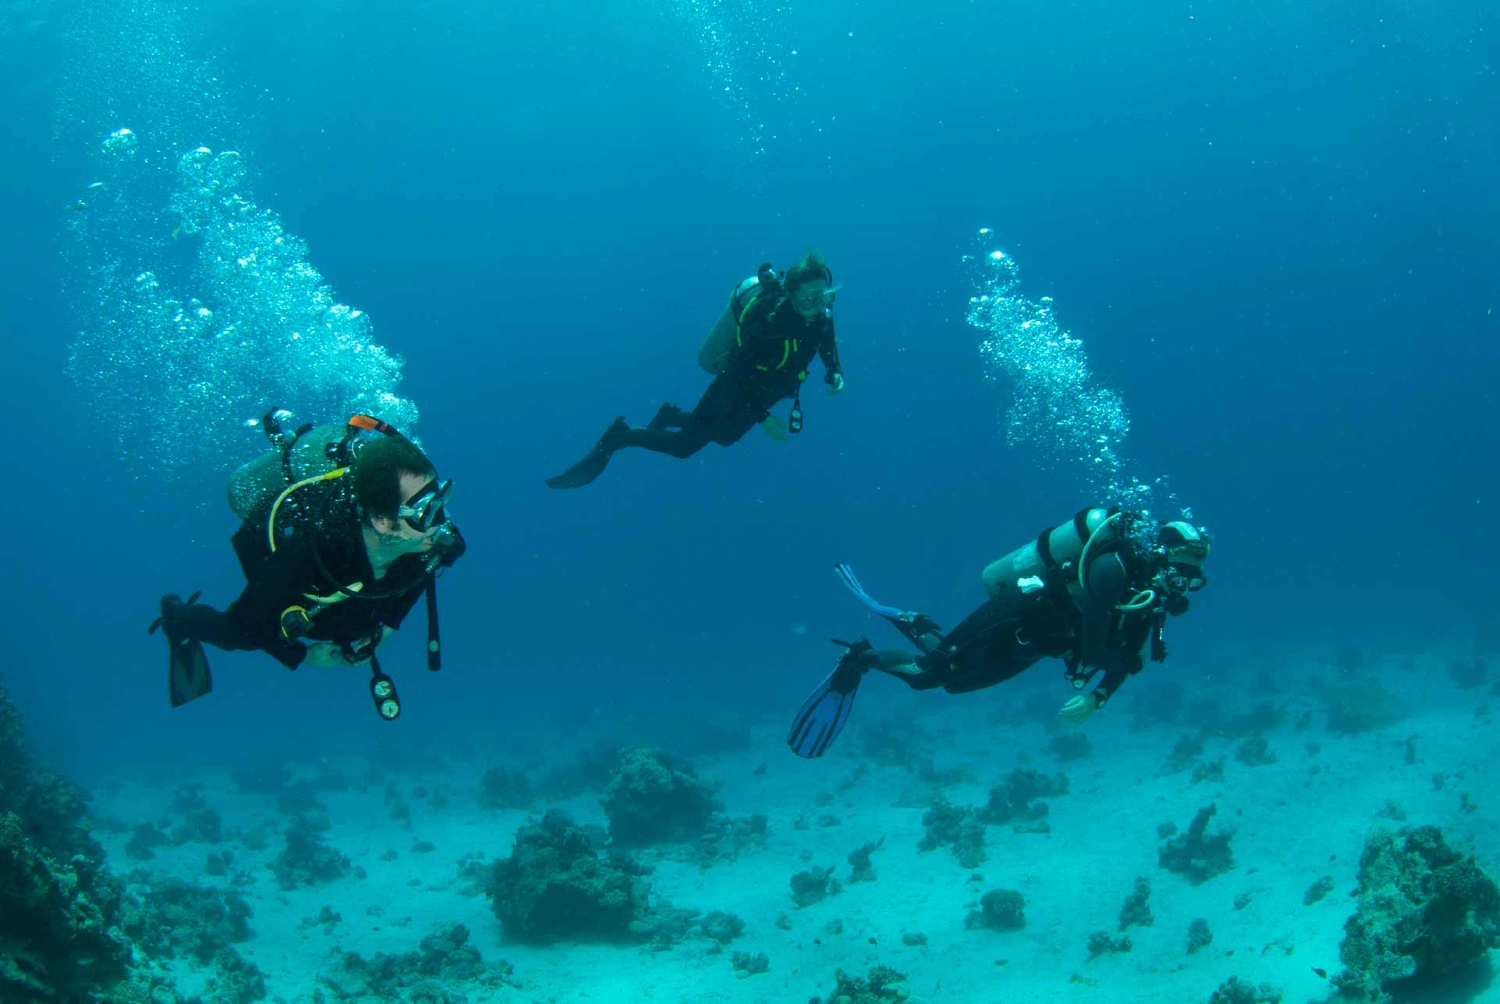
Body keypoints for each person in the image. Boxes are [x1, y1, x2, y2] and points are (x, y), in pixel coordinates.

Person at [787, 508, 1210, 758]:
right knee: (931, 676)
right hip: (1016, 615)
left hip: (1039, 643)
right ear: (1163, 555)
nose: (1187, 580)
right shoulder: (1110, 571)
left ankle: (914, 624)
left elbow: (1125, 653)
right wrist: (1119, 670)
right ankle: (860, 657)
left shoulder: (1147, 595)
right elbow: (1103, 650)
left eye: (1193, 572)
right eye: (1185, 567)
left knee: (954, 684)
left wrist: (1098, 697)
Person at [150, 412, 467, 720]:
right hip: (285, 575)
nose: (444, 523)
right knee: (237, 634)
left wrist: (388, 628)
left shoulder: (431, 539)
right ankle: (176, 616)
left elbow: (430, 566)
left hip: (352, 600)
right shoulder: (309, 554)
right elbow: (249, 625)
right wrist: (301, 655)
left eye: (443, 498)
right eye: (427, 510)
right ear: (384, 522)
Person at [545, 251, 846, 489]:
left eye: (823, 296)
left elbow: (825, 337)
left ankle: (670, 416)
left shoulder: (820, 312)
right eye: (809, 299)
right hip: (733, 388)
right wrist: (763, 417)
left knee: (726, 437)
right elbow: (737, 373)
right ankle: (620, 436)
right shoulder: (768, 326)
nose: (818, 305)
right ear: (791, 296)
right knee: (683, 447)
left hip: (769, 390)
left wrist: (834, 370)